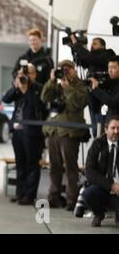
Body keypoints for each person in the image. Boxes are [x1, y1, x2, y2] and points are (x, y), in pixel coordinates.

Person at [41, 60, 89, 210]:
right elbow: (44, 98)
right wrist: (51, 80)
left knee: (70, 168)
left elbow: (79, 103)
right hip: (54, 130)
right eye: (63, 69)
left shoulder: (80, 85)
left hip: (69, 132)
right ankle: (53, 197)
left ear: (74, 70)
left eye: (68, 69)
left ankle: (71, 200)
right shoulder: (57, 83)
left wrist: (68, 88)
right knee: (54, 167)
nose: (66, 72)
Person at [2, 65, 47, 205]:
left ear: (34, 74)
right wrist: (17, 86)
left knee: (32, 164)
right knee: (20, 163)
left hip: (32, 132)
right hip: (17, 131)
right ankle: (20, 193)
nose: (24, 76)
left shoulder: (38, 88)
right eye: (22, 73)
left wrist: (26, 90)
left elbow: (39, 106)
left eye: (28, 73)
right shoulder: (18, 86)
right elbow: (6, 99)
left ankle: (29, 195)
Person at [71, 36, 115, 136]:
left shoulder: (107, 54)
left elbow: (88, 57)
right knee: (95, 128)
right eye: (91, 43)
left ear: (103, 46)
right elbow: (81, 60)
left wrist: (76, 44)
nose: (91, 45)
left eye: (95, 43)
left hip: (104, 96)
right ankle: (96, 139)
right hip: (92, 94)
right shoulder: (92, 57)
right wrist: (73, 48)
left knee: (103, 128)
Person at [83, 115, 119, 227]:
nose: (116, 131)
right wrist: (111, 185)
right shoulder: (97, 144)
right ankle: (99, 214)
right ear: (106, 129)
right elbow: (89, 171)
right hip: (103, 188)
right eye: (113, 128)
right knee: (88, 194)